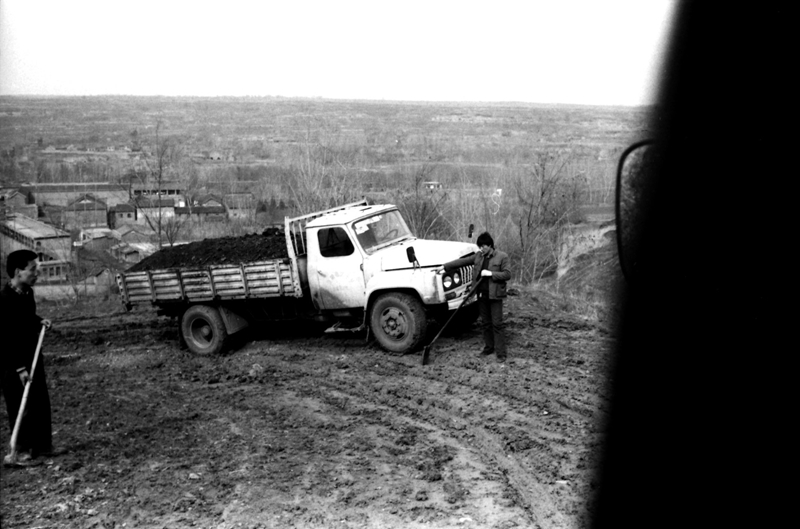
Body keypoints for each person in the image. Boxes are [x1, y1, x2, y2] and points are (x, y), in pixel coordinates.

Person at [1, 249, 56, 466]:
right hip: (12, 362)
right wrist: (19, 368)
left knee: (40, 400)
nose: (37, 274)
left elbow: (27, 317)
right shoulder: (3, 300)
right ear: (18, 271)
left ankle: (42, 446)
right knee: (19, 404)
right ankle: (20, 451)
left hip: (32, 355)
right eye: (33, 270)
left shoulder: (26, 293)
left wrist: (40, 321)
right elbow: (5, 338)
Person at [443, 232, 511, 363]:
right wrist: (445, 266)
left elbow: (507, 274)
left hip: (495, 295)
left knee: (497, 324)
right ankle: (489, 348)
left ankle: (501, 353)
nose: (481, 249)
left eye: (483, 246)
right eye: (480, 246)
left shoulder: (502, 257)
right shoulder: (478, 256)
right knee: (486, 323)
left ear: (490, 245)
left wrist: (491, 273)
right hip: (481, 295)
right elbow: (462, 262)